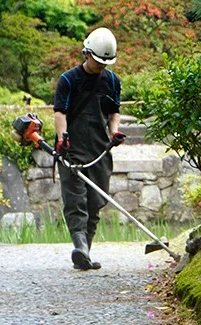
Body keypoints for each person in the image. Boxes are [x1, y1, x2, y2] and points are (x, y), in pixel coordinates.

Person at [53, 27, 122, 270]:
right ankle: (80, 247)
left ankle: (85, 253)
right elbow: (59, 112)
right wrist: (62, 140)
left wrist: (114, 133)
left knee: (96, 200)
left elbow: (114, 112)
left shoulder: (112, 81)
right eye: (98, 60)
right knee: (76, 201)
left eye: (106, 62)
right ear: (86, 53)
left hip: (99, 148)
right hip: (71, 148)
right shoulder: (68, 80)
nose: (102, 65)